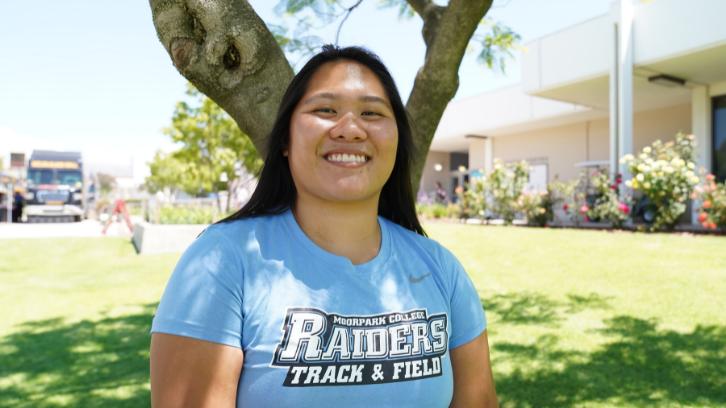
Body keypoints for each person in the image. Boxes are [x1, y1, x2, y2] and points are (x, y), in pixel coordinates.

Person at [150, 45, 498, 408]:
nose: (350, 129)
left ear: (397, 143)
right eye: (325, 110)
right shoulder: (222, 262)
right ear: (284, 140)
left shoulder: (441, 270)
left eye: (371, 112)